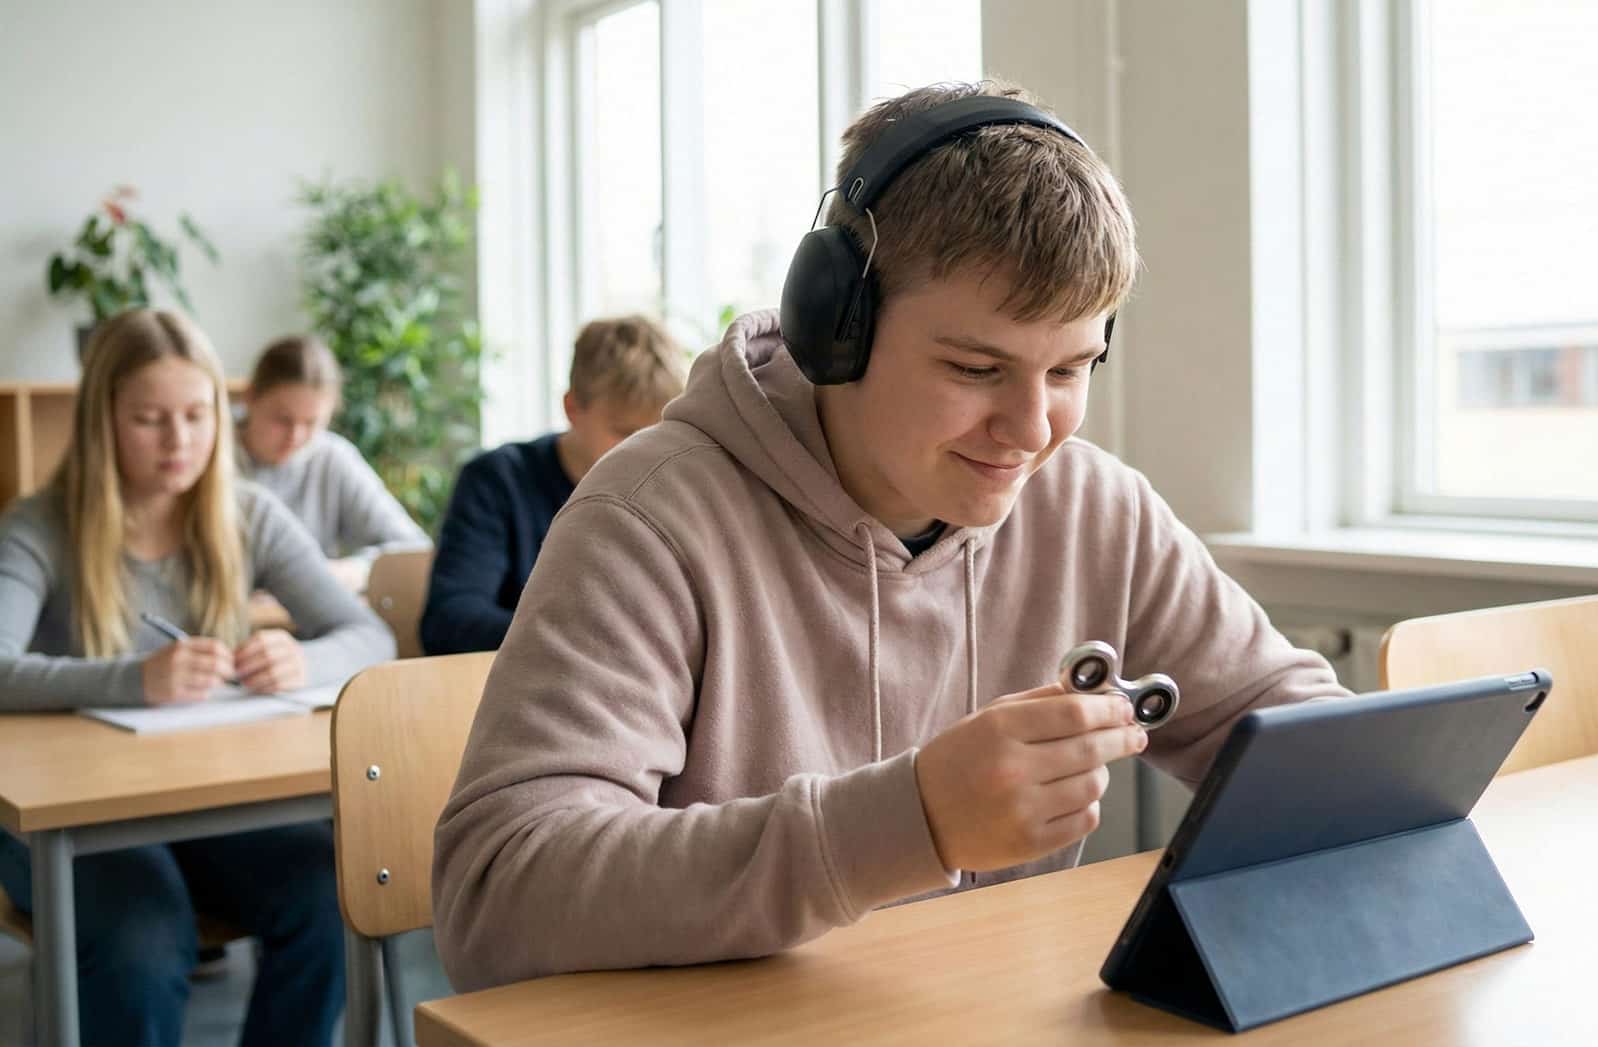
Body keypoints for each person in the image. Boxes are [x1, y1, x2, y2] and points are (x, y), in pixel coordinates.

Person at [431, 81, 1347, 991]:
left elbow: (1295, 732)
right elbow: (498, 895)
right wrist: (906, 820)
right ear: (838, 327)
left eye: (1072, 368)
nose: (1032, 430)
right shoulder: (648, 518)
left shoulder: (1095, 507)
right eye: (976, 368)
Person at [0, 308, 396, 1045]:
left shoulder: (248, 513)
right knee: (144, 936)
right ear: (102, 420)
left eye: (195, 414)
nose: (179, 441)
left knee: (330, 892)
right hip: (72, 819)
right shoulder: (39, 525)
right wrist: (131, 679)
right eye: (150, 419)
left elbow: (369, 633)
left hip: (205, 803)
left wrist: (301, 659)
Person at [418, 314, 685, 655]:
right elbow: (448, 624)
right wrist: (590, 638)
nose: (647, 449)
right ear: (573, 408)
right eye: (625, 432)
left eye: (660, 432)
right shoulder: (496, 482)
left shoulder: (674, 490)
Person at [234, 334, 430, 595]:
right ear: (250, 398)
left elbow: (414, 550)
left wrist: (354, 570)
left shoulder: (332, 456)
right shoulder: (208, 454)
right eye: (282, 420)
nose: (296, 437)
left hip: (310, 626)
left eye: (311, 423)